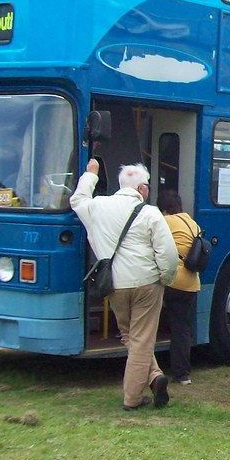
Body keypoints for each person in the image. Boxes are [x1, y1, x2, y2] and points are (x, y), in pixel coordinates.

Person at [71, 160, 178, 410]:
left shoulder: (97, 206)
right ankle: (132, 398)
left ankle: (154, 377)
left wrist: (90, 175)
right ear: (143, 189)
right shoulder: (150, 212)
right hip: (147, 283)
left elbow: (77, 201)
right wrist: (166, 278)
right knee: (141, 339)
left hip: (114, 284)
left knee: (130, 335)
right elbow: (168, 253)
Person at [158, 190, 201, 386]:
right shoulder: (192, 223)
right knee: (181, 328)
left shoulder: (165, 222)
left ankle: (148, 369)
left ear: (164, 208)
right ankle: (182, 374)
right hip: (191, 283)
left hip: (171, 280)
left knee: (149, 322)